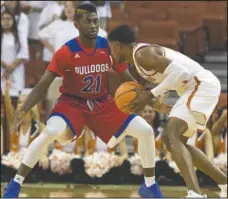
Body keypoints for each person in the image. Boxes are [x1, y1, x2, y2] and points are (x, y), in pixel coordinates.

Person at [3, 4, 166, 198]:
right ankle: (15, 184)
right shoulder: (66, 52)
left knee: (146, 131)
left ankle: (149, 186)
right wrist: (23, 110)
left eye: (96, 20)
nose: (93, 25)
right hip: (72, 104)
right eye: (88, 21)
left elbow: (126, 77)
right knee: (50, 132)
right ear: (77, 24)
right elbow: (42, 85)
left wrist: (151, 100)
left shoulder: (107, 46)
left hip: (101, 103)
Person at [108, 24, 227, 198]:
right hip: (194, 87)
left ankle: (195, 193)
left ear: (118, 45)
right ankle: (224, 183)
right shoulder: (138, 58)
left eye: (111, 48)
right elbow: (171, 76)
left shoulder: (141, 54)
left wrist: (150, 94)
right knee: (178, 142)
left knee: (170, 136)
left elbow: (181, 73)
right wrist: (156, 100)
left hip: (200, 85)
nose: (111, 53)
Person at [1, 10, 29, 97]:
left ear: (13, 21)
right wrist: (5, 67)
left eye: (8, 19)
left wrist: (10, 68)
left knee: (15, 96)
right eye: (3, 19)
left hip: (16, 70)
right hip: (2, 70)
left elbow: (24, 53)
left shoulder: (19, 35)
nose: (6, 21)